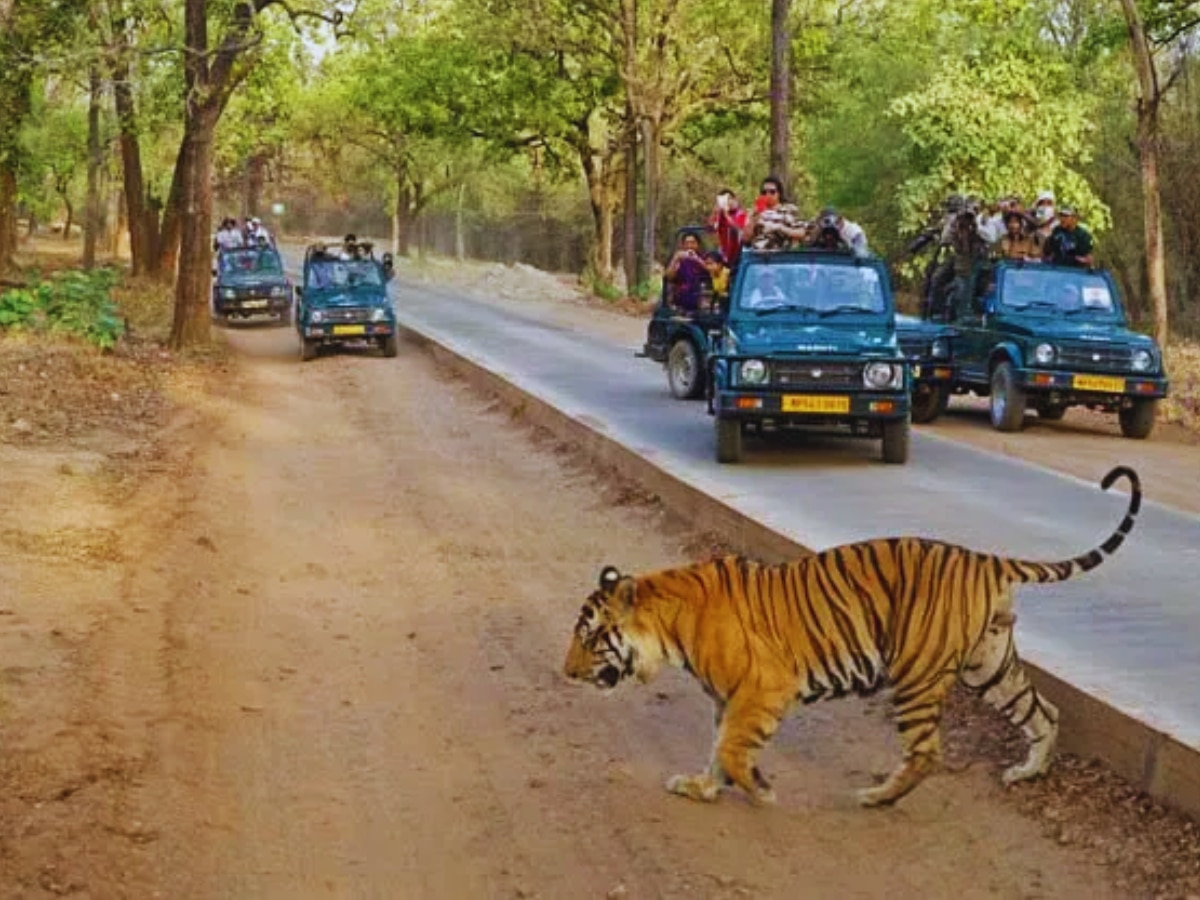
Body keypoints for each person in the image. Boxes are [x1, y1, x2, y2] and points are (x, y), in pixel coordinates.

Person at [744, 176, 807, 250]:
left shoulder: (789, 209)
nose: (768, 195)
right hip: (757, 256)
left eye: (772, 192)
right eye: (764, 192)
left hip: (780, 256)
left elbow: (802, 233)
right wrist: (751, 219)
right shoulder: (757, 212)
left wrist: (780, 227)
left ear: (779, 193)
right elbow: (746, 239)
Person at [663, 232, 711, 313]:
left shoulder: (705, 258)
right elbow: (669, 277)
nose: (689, 246)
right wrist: (675, 259)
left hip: (701, 301)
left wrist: (697, 260)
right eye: (686, 243)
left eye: (692, 243)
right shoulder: (678, 259)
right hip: (680, 301)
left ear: (698, 244)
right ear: (683, 245)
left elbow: (712, 271)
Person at [708, 189, 748, 269]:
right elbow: (710, 228)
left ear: (735, 200)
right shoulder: (720, 215)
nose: (728, 202)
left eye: (729, 198)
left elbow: (737, 228)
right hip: (724, 255)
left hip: (739, 255)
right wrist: (715, 211)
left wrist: (726, 214)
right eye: (724, 199)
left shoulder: (741, 214)